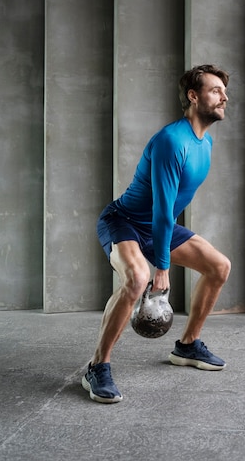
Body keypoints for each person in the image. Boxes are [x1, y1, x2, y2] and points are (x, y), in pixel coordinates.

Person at [82, 64, 231, 403]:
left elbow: (168, 213)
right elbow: (164, 209)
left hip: (154, 226)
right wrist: (162, 267)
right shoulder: (171, 140)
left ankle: (188, 346)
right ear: (193, 96)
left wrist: (162, 248)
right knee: (137, 279)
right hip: (123, 221)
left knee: (219, 267)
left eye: (223, 90)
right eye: (215, 90)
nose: (225, 96)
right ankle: (97, 366)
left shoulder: (204, 143)